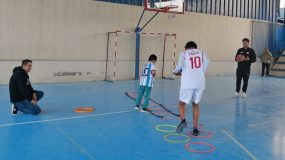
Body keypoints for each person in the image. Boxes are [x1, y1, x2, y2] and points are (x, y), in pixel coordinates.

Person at [173, 41, 210, 135]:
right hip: (200, 82)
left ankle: (183, 120)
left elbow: (180, 66)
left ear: (186, 48)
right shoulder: (201, 52)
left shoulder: (184, 53)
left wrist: (175, 71)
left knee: (181, 103)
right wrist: (200, 72)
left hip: (188, 83)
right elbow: (207, 62)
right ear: (195, 47)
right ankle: (195, 128)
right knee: (196, 104)